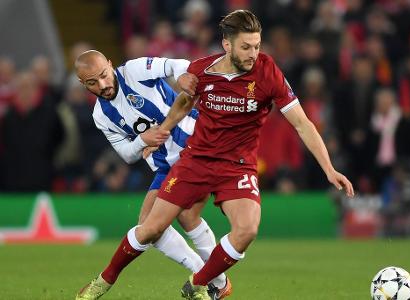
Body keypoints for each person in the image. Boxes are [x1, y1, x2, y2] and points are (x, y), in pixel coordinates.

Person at [80, 9, 354, 300]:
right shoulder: (203, 70)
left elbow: (302, 123)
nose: (253, 54)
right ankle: (105, 282)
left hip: (237, 165)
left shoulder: (267, 72)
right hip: (195, 160)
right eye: (246, 47)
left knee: (246, 230)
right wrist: (157, 133)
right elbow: (182, 105)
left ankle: (200, 282)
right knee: (151, 228)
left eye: (257, 46)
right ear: (227, 45)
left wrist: (329, 168)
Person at [74, 50, 230, 299]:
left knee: (163, 223)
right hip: (166, 166)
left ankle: (213, 281)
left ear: (110, 65)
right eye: (93, 82)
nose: (103, 85)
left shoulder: (135, 71)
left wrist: (181, 78)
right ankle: (212, 278)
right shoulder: (101, 116)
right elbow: (126, 153)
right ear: (84, 84)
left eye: (104, 75)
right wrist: (141, 142)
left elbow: (179, 64)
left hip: (194, 144)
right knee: (154, 227)